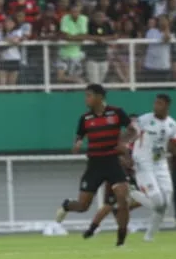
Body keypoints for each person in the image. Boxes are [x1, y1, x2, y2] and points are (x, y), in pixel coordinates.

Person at [54, 83, 140, 246]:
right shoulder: (85, 118)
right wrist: (77, 144)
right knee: (82, 206)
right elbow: (79, 136)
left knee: (123, 199)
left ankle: (121, 238)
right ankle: (66, 206)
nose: (86, 99)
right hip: (95, 164)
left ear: (100, 97)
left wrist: (125, 143)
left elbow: (133, 130)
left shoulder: (116, 113)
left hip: (113, 162)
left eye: (89, 95)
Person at [129, 93, 176, 242]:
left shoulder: (172, 124)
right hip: (144, 163)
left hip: (161, 164)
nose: (155, 106)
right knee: (158, 202)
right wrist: (126, 151)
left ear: (167, 106)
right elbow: (131, 134)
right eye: (155, 103)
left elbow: (173, 147)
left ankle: (149, 237)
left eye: (159, 103)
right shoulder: (144, 120)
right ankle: (133, 194)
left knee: (165, 203)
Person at [82, 151, 145, 239]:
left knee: (145, 198)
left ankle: (118, 212)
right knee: (109, 204)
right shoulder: (118, 146)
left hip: (127, 175)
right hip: (117, 176)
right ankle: (92, 228)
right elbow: (123, 160)